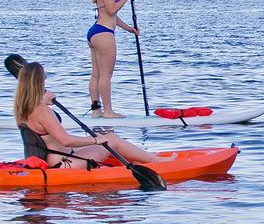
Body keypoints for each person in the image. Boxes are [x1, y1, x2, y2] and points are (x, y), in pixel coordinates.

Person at [14, 61, 164, 168]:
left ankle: (140, 159)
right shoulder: (42, 110)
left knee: (108, 141)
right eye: (44, 77)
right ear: (40, 81)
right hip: (66, 163)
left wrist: (42, 101)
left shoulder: (21, 109)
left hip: (59, 158)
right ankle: (157, 162)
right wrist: (95, 140)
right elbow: (65, 140)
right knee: (111, 139)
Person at [87, 0, 138, 117]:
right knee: (106, 75)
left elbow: (111, 16)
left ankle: (96, 111)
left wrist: (129, 28)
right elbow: (112, 9)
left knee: (96, 74)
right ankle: (108, 111)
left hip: (95, 32)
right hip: (104, 34)